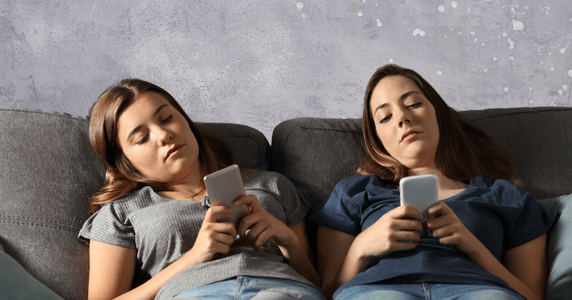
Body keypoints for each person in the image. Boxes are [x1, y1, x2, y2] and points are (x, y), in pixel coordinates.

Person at [309, 64, 559, 300]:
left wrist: (472, 246)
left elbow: (531, 296)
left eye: (414, 104)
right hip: (378, 291)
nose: (402, 118)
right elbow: (327, 292)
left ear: (438, 112)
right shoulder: (353, 192)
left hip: (478, 290)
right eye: (385, 117)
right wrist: (362, 247)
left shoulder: (506, 195)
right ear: (378, 139)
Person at [78, 79, 324, 300]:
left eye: (166, 119)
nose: (163, 134)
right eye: (142, 138)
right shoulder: (120, 213)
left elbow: (320, 287)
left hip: (282, 290)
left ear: (185, 119)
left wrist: (289, 242)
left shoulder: (271, 184)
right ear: (124, 160)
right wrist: (194, 257)